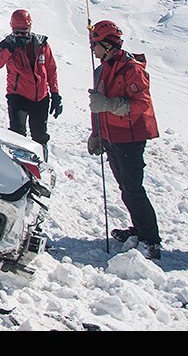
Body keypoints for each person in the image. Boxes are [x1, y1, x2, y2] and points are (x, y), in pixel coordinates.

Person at [86, 20, 161, 260]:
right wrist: (96, 133)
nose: (92, 49)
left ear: (108, 45)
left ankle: (151, 240)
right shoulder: (102, 68)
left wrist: (108, 105)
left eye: (95, 44)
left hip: (130, 138)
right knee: (126, 188)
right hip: (112, 136)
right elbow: (96, 106)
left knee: (133, 189)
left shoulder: (131, 68)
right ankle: (139, 229)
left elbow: (141, 104)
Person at [0, 9, 62, 161]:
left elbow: (51, 69)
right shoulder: (7, 45)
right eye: (17, 32)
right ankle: (18, 168)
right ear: (12, 29)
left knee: (40, 136)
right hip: (18, 96)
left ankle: (42, 166)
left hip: (41, 97)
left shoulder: (41, 44)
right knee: (17, 134)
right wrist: (9, 50)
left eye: (24, 31)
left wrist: (55, 94)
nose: (21, 35)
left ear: (30, 28)